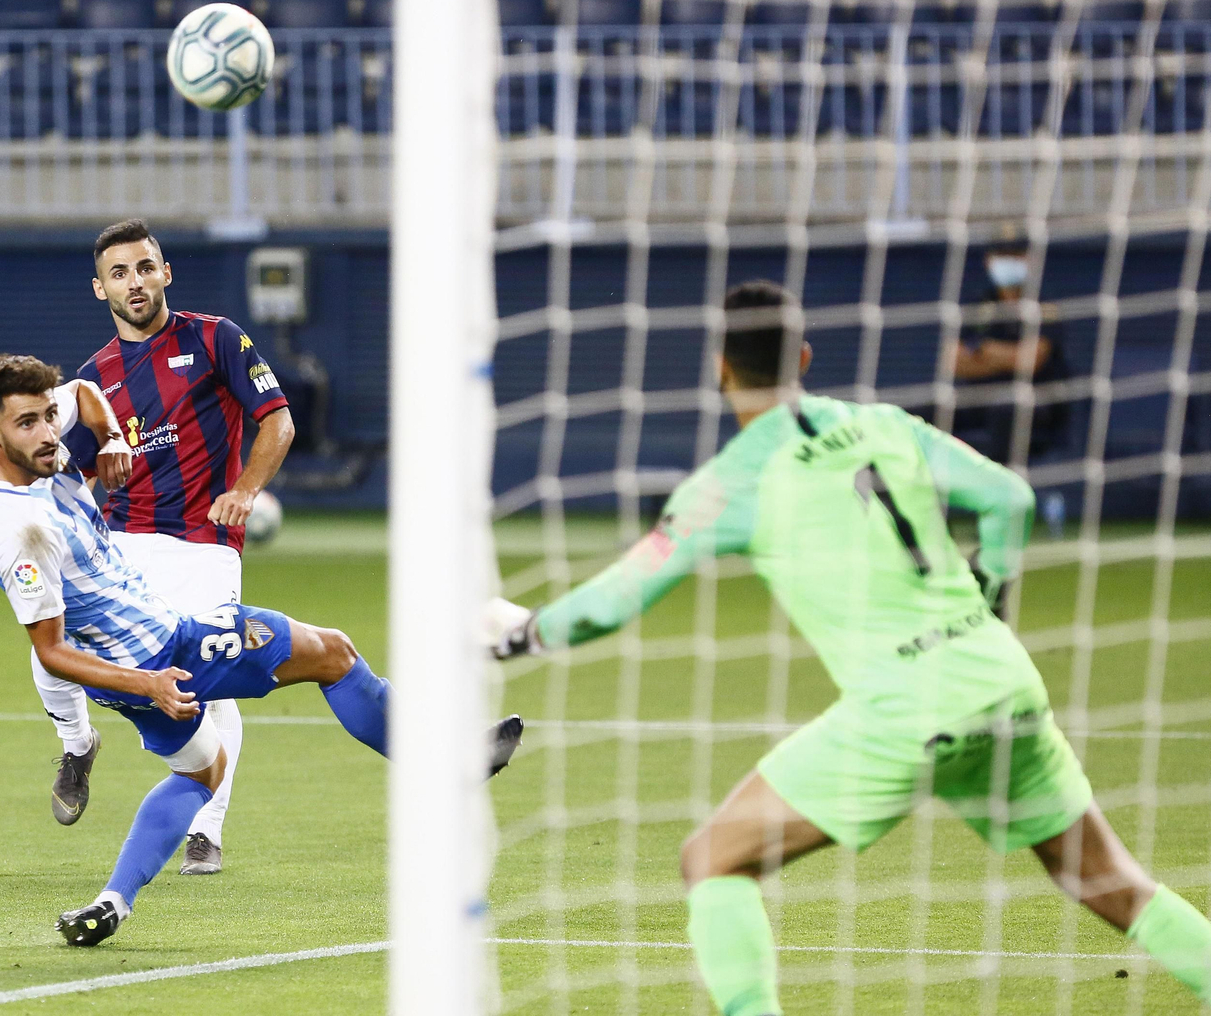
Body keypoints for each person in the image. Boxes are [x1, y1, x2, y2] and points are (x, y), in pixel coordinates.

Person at [488, 281, 1211, 1014]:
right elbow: (1010, 499)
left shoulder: (730, 482)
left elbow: (614, 600)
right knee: (1112, 881)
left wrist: (522, 634)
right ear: (803, 357)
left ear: (720, 367)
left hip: (907, 705)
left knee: (713, 860)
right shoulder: (885, 425)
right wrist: (991, 594)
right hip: (1002, 678)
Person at [0, 353, 523, 946]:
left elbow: (82, 391)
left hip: (133, 671)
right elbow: (50, 652)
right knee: (333, 654)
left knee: (204, 771)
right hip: (165, 654)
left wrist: (109, 437)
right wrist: (150, 682)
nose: (48, 433)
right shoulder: (22, 534)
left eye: (47, 416)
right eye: (28, 423)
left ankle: (112, 903)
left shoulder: (2, 450)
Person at [36, 218, 297, 878]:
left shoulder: (215, 338)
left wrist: (244, 489)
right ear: (100, 288)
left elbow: (278, 420)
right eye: (119, 273)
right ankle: (77, 744)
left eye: (145, 267)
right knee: (51, 641)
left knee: (209, 683)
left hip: (205, 543)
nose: (135, 282)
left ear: (165, 273)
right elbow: (73, 474)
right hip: (121, 545)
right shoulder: (93, 379)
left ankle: (205, 831)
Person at [952, 237, 1070, 465]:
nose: (1008, 262)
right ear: (988, 261)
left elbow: (1029, 361)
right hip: (978, 399)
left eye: (1015, 256)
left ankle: (999, 481)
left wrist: (982, 351)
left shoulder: (1044, 307)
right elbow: (954, 362)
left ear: (1029, 260)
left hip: (1033, 405)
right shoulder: (978, 304)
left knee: (1006, 409)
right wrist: (1009, 357)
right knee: (924, 410)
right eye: (1002, 256)